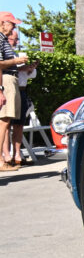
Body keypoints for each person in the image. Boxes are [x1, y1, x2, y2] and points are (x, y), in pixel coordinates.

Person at [0, 11, 32, 172]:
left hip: (9, 80)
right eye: (11, 23)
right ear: (2, 23)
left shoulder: (3, 39)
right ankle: (1, 160)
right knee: (4, 121)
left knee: (7, 122)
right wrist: (16, 61)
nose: (13, 27)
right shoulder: (0, 38)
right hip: (5, 80)